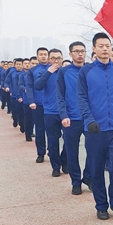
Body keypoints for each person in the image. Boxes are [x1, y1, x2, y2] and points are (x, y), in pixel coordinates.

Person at [78, 32, 113, 221]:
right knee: (96, 169)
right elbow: (81, 98)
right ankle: (101, 205)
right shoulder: (86, 72)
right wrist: (89, 120)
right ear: (94, 49)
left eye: (107, 45)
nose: (105, 49)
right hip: (95, 129)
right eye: (101, 46)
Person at [57, 41, 91, 195]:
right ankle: (76, 181)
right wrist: (64, 115)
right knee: (72, 152)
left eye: (82, 51)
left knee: (94, 151)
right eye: (76, 51)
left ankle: (88, 177)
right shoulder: (64, 72)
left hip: (89, 118)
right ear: (70, 54)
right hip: (71, 118)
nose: (80, 54)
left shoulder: (91, 70)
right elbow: (60, 96)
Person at [35, 49, 67, 177]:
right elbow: (37, 86)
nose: (56, 61)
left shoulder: (66, 72)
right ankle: (55, 166)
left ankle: (65, 161)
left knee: (69, 140)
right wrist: (49, 72)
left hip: (66, 112)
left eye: (59, 58)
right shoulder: (44, 73)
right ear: (49, 60)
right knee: (53, 141)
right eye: (53, 58)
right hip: (50, 112)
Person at [27, 47, 49, 163]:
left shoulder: (54, 69)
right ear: (37, 56)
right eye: (41, 54)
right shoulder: (32, 71)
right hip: (38, 104)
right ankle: (41, 153)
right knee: (40, 130)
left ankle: (52, 150)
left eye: (45, 54)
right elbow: (29, 86)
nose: (43, 56)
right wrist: (31, 101)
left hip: (52, 105)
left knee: (53, 131)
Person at [4, 58, 24, 131]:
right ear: (14, 65)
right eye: (17, 64)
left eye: (20, 64)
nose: (18, 66)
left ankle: (22, 125)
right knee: (15, 111)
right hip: (14, 95)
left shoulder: (25, 73)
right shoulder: (12, 73)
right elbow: (7, 81)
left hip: (23, 95)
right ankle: (15, 119)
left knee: (22, 112)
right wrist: (6, 87)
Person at [19, 58, 35, 141]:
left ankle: (31, 131)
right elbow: (20, 85)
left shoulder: (35, 73)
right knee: (28, 118)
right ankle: (28, 134)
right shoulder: (22, 75)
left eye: (29, 63)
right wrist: (25, 89)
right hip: (26, 99)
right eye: (25, 63)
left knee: (34, 118)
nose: (28, 65)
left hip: (36, 99)